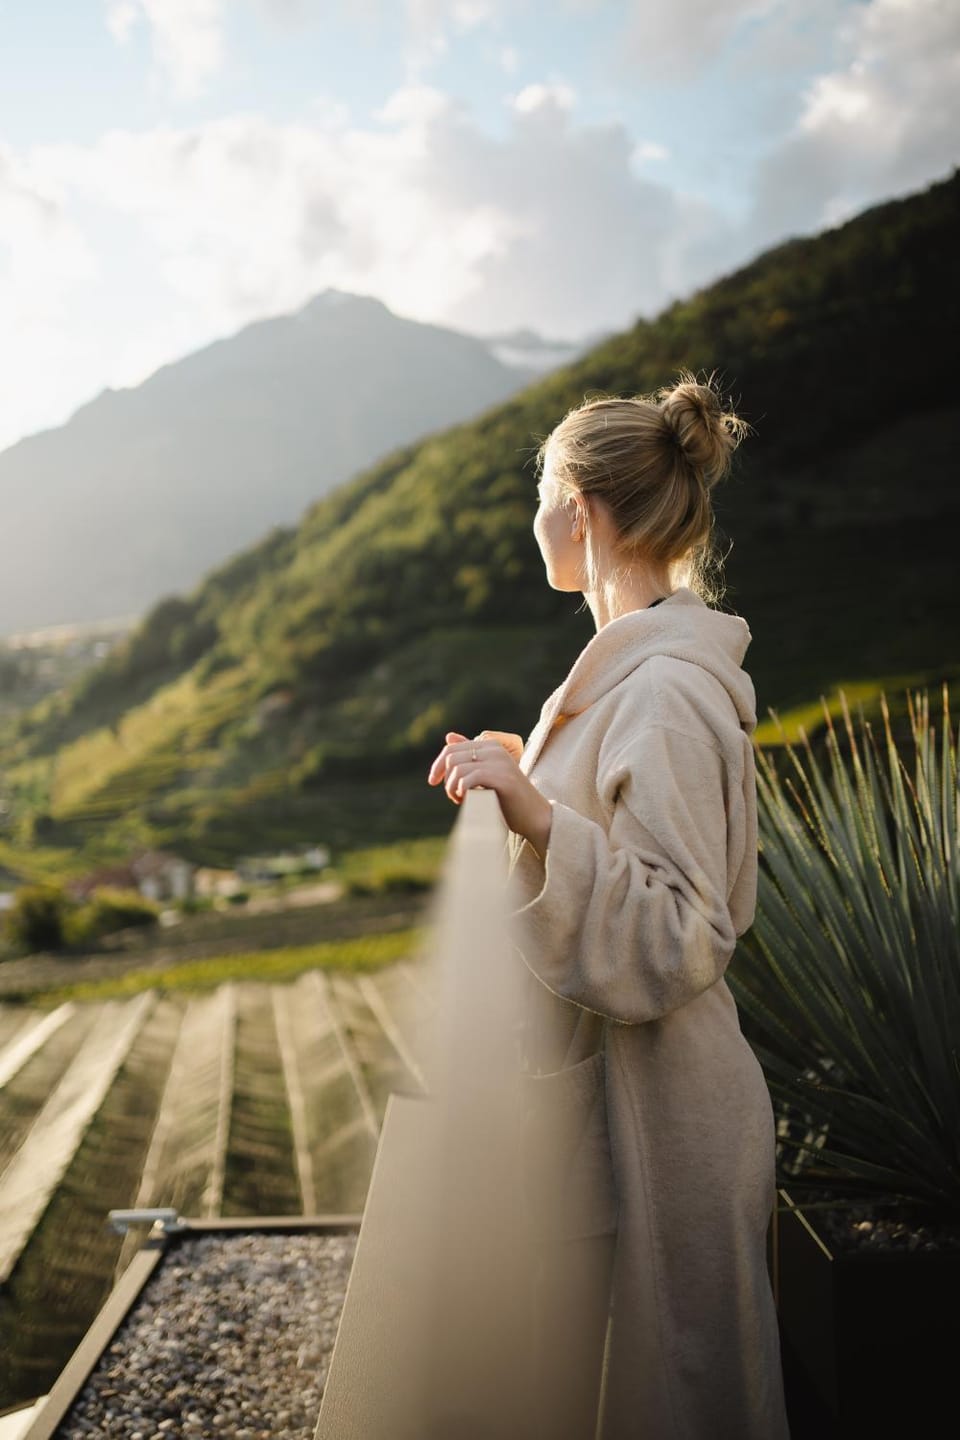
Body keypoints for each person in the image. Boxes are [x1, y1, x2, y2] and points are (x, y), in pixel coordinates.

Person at [427, 370, 792, 1440]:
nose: (532, 512)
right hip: (631, 1116)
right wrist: (523, 764)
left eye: (539, 487)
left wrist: (541, 819)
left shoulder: (667, 691)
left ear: (578, 511)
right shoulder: (635, 673)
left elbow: (683, 932)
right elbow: (621, 824)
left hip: (671, 1130)